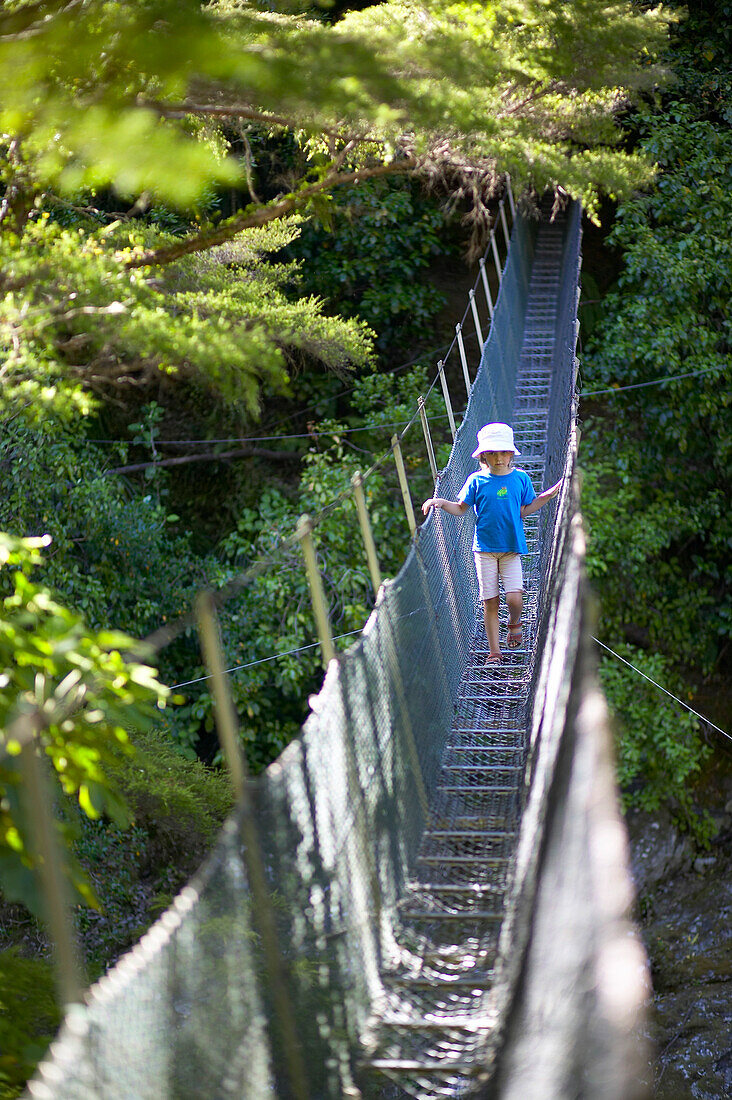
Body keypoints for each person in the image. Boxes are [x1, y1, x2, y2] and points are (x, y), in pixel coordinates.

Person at [422, 422, 561, 663]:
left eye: (503, 452)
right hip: (484, 550)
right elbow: (461, 508)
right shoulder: (476, 480)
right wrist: (440, 502)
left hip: (511, 548)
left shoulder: (520, 478)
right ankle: (494, 652)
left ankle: (515, 622)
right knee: (490, 600)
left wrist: (548, 495)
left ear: (511, 454)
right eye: (493, 453)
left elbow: (525, 510)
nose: (498, 458)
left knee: (514, 598)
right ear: (484, 455)